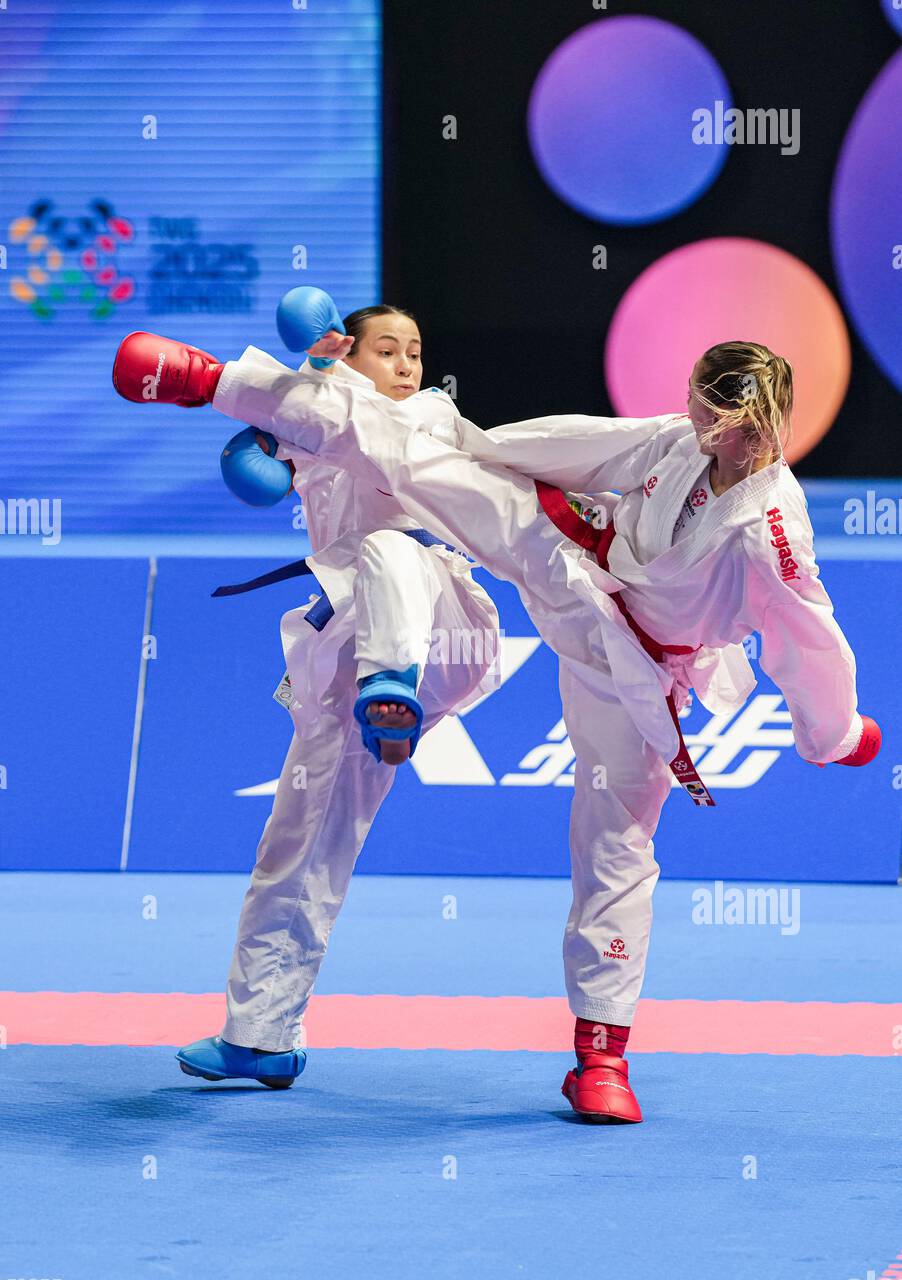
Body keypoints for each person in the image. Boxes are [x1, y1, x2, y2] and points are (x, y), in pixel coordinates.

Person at [113, 309, 880, 1121]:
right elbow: (587, 443)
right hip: (573, 566)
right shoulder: (675, 439)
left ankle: (600, 1057)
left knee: (616, 846)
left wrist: (835, 733)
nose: (684, 410)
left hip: (640, 673)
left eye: (699, 404)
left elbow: (810, 638)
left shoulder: (772, 534)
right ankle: (208, 379)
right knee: (426, 453)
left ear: (734, 422)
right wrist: (483, 450)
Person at [128, 295, 501, 1087]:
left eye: (415, 348)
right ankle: (262, 1034)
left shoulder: (430, 414)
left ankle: (392, 684)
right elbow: (272, 463)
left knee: (390, 549)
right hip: (346, 653)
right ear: (353, 352)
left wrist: (300, 374)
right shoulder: (317, 419)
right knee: (297, 844)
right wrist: (270, 437)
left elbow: (347, 418)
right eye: (388, 350)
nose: (408, 363)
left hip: (441, 625)